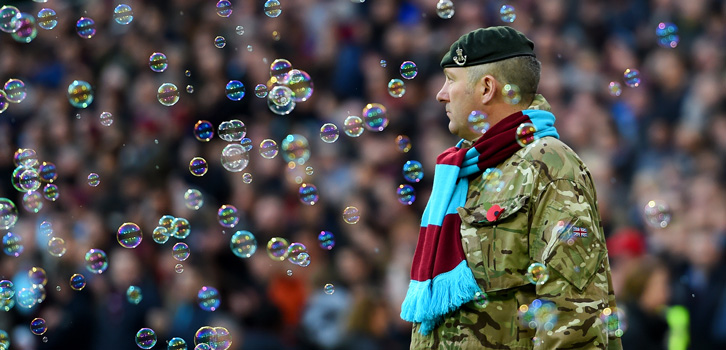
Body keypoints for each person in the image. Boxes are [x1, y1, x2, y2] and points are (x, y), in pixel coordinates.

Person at [400, 26, 623, 349]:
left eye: (450, 79)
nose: (441, 94)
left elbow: (575, 313)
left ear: (487, 88)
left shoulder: (548, 162)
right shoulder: (464, 169)